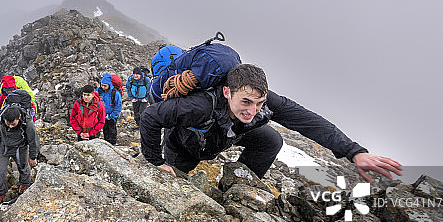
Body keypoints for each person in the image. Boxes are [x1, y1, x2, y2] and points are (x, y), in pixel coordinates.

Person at [140, 63, 402, 183]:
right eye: (246, 102)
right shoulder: (198, 106)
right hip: (186, 144)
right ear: (227, 92)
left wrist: (355, 152)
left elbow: (309, 122)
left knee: (271, 139)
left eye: (259, 103)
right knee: (175, 180)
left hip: (226, 134)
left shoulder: (264, 102)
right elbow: (151, 117)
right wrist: (155, 161)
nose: (252, 110)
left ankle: (238, 187)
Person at [0, 105, 39, 202]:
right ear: (4, 119)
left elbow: (33, 140)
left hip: (20, 147)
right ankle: (1, 192)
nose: (10, 126)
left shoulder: (28, 123)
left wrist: (33, 157)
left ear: (19, 117)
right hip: (2, 146)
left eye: (13, 124)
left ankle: (25, 185)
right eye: (8, 124)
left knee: (23, 167)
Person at [98, 73, 122, 145]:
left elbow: (118, 106)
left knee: (112, 131)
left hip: (111, 116)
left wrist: (111, 116)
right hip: (103, 116)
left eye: (105, 85)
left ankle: (112, 145)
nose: (103, 87)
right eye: (102, 85)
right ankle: (106, 144)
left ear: (109, 85)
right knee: (105, 130)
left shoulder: (115, 93)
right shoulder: (99, 92)